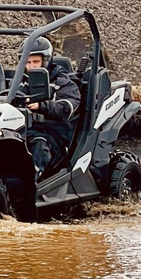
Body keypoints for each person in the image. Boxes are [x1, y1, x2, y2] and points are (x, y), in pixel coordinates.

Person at [20, 36, 81, 180]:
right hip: (24, 130)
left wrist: (42, 106)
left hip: (55, 134)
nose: (32, 66)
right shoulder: (20, 83)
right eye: (28, 62)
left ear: (45, 61)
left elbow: (67, 107)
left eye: (36, 62)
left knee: (38, 144)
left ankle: (30, 183)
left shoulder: (63, 83)